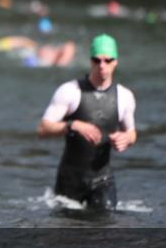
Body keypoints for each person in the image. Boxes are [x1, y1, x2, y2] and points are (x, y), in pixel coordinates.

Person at [37, 34, 137, 211]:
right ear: (90, 61)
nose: (102, 66)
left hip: (102, 179)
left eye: (108, 60)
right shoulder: (69, 91)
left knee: (104, 225)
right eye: (97, 60)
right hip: (69, 180)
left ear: (116, 62)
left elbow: (131, 133)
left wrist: (126, 139)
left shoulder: (125, 97)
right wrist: (72, 125)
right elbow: (43, 129)